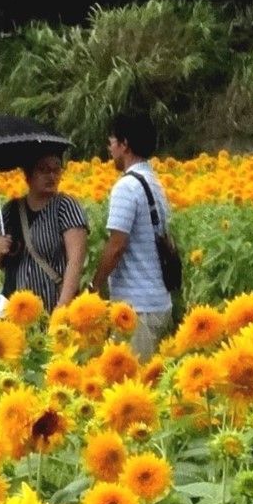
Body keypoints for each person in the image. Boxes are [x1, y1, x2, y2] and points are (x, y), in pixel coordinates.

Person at [91, 109, 175, 358]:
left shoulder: (126, 187)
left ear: (125, 144)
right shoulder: (154, 182)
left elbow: (117, 246)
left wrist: (94, 285)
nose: (110, 149)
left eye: (112, 142)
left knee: (132, 388)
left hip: (136, 310)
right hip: (160, 303)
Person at [0, 151, 88, 309]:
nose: (51, 176)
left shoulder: (66, 207)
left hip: (52, 305)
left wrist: (62, 308)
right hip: (15, 309)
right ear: (28, 175)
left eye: (56, 170)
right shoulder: (10, 210)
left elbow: (75, 262)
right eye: (43, 170)